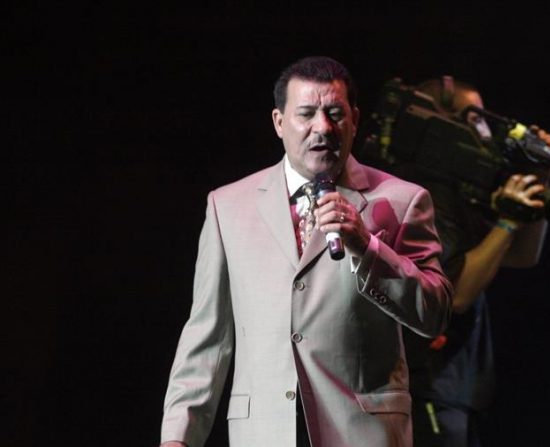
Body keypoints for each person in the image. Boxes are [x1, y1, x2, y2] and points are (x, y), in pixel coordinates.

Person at [159, 56, 453, 447]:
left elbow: (435, 312)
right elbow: (206, 337)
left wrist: (366, 247)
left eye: (334, 113)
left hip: (361, 433)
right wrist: (178, 436)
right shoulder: (228, 206)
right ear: (280, 122)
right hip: (263, 432)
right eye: (307, 114)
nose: (322, 128)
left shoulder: (402, 201)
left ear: (355, 120)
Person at [387, 77, 550, 446]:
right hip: (428, 390)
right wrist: (507, 221)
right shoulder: (422, 202)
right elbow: (457, 295)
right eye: (474, 118)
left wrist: (537, 179)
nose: (485, 130)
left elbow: (521, 256)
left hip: (459, 392)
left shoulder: (457, 199)